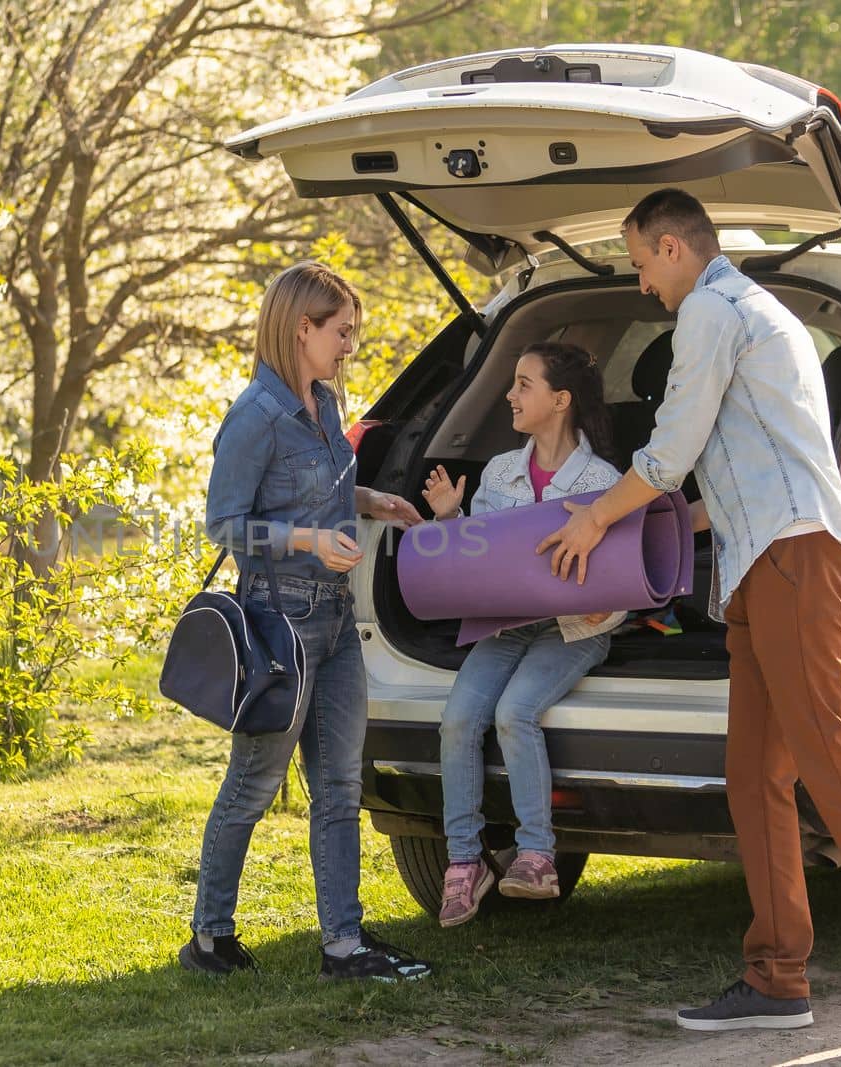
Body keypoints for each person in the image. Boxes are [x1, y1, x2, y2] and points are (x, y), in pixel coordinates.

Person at [537, 189, 841, 1051]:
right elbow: (738, 465)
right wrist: (659, 535)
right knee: (754, 773)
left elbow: (668, 452)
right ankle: (777, 976)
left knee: (829, 761)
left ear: (671, 247)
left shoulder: (710, 308)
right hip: (761, 559)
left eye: (637, 260)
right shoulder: (751, 310)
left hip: (796, 555)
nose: (638, 281)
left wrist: (593, 519)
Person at [183, 261, 433, 981]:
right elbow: (225, 527)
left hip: (336, 619)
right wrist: (308, 541)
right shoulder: (254, 418)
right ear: (303, 328)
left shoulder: (324, 406)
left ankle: (344, 945)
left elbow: (316, 492)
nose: (349, 344)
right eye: (342, 331)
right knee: (254, 786)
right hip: (278, 624)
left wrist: (373, 501)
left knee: (340, 788)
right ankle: (210, 935)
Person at [420, 342, 623, 926]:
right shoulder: (500, 473)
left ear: (560, 401)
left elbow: (619, 581)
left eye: (523, 384)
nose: (510, 395)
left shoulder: (602, 480)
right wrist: (450, 520)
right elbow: (479, 564)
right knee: (458, 719)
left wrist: (599, 617)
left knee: (515, 713)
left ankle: (536, 855)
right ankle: (465, 862)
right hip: (507, 627)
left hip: (573, 633)